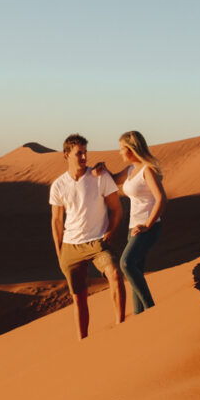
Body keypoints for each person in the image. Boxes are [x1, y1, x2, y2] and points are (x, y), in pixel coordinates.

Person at [50, 133, 126, 339]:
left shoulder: (100, 176)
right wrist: (60, 254)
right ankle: (83, 342)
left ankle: (122, 329)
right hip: (71, 248)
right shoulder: (58, 185)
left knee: (115, 274)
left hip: (98, 243)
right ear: (66, 155)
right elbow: (57, 221)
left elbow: (117, 209)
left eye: (85, 153)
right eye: (79, 154)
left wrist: (111, 231)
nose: (84, 157)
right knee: (79, 297)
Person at [96, 131, 167, 315]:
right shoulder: (130, 171)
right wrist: (103, 170)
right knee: (135, 271)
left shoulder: (147, 170)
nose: (119, 153)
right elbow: (113, 181)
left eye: (122, 149)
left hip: (147, 228)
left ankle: (150, 310)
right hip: (133, 229)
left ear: (131, 149)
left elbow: (161, 198)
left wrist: (148, 225)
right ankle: (139, 316)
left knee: (126, 264)